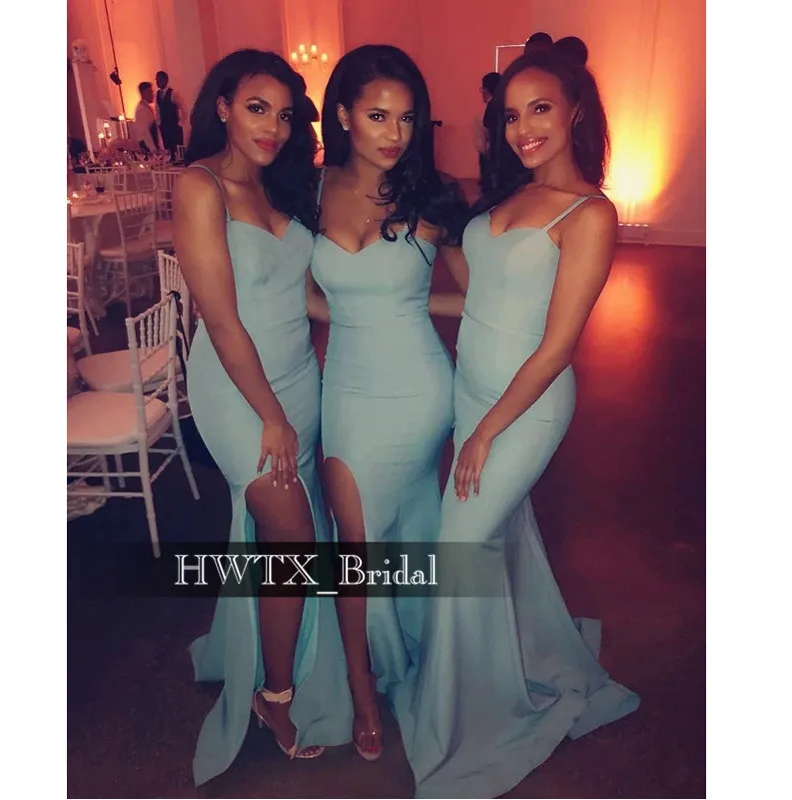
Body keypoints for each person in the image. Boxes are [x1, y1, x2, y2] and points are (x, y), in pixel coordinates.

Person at [402, 47, 640, 798]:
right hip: (474, 389)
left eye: (540, 109)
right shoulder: (507, 195)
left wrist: (484, 433)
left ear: (576, 111)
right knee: (497, 539)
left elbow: (557, 346)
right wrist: (396, 300)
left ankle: (467, 718)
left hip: (526, 406)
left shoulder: (590, 214)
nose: (523, 128)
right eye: (510, 115)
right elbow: (481, 299)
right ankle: (515, 654)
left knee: (461, 546)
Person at [174, 49, 352, 786]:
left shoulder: (284, 190)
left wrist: (388, 310)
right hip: (237, 391)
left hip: (298, 379)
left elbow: (302, 299)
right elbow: (221, 320)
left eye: (283, 114)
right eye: (256, 108)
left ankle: (257, 652)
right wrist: (272, 417)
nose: (273, 126)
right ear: (222, 106)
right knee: (292, 534)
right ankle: (274, 696)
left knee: (287, 535)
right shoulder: (200, 186)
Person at [307, 43, 469, 762]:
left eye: (406, 118)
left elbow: (476, 297)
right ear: (343, 115)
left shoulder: (432, 197)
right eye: (377, 116)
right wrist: (357, 310)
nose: (395, 133)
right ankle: (363, 691)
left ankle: (427, 657)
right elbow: (306, 294)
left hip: (421, 389)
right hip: (348, 392)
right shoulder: (307, 191)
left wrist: (404, 304)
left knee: (414, 529)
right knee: (355, 548)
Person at [474, 71, 500, 176]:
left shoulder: (492, 105)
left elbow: (487, 126)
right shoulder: (504, 104)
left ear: (486, 90)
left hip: (493, 152)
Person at [155, 70, 187, 156]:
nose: (157, 82)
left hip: (174, 126)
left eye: (159, 79)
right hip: (164, 127)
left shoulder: (173, 93)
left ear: (166, 80)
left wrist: (180, 124)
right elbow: (157, 110)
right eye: (156, 80)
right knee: (168, 150)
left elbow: (184, 109)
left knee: (178, 150)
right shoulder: (157, 94)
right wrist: (159, 124)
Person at [131, 81, 158, 152]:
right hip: (147, 147)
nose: (153, 94)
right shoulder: (141, 110)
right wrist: (153, 149)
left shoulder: (147, 108)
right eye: (151, 92)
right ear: (145, 93)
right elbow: (144, 132)